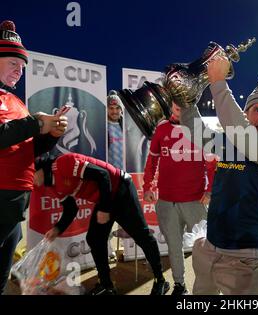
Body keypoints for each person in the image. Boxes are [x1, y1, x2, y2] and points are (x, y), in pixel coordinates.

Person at [179, 56, 258, 295]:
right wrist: (186, 100)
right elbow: (198, 133)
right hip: (213, 245)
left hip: (248, 255)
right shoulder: (234, 144)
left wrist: (219, 84)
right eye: (257, 109)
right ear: (247, 113)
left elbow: (251, 144)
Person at [35, 153, 170, 295]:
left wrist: (105, 209)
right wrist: (57, 229)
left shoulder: (63, 163)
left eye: (31, 175)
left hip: (120, 188)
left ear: (39, 169)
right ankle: (107, 286)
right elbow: (71, 209)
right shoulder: (52, 186)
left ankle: (161, 280)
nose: (31, 181)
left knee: (142, 235)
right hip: (104, 197)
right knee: (94, 239)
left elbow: (103, 175)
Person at [0, 20, 67, 295]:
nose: (20, 70)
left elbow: (26, 149)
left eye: (23, 66)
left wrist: (51, 134)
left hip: (14, 209)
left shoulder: (15, 101)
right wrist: (37, 122)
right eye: (14, 62)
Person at [142, 101, 217, 295]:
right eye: (175, 101)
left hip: (195, 201)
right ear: (170, 105)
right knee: (174, 247)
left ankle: (208, 289)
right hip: (167, 202)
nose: (179, 106)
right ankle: (179, 285)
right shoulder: (162, 129)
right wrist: (148, 186)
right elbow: (152, 159)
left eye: (184, 102)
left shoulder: (201, 130)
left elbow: (212, 165)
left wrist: (210, 191)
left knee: (206, 249)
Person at [107, 90, 124, 170]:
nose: (114, 111)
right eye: (111, 108)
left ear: (121, 110)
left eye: (117, 108)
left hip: (126, 173)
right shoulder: (102, 126)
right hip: (109, 173)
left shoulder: (126, 126)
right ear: (106, 109)